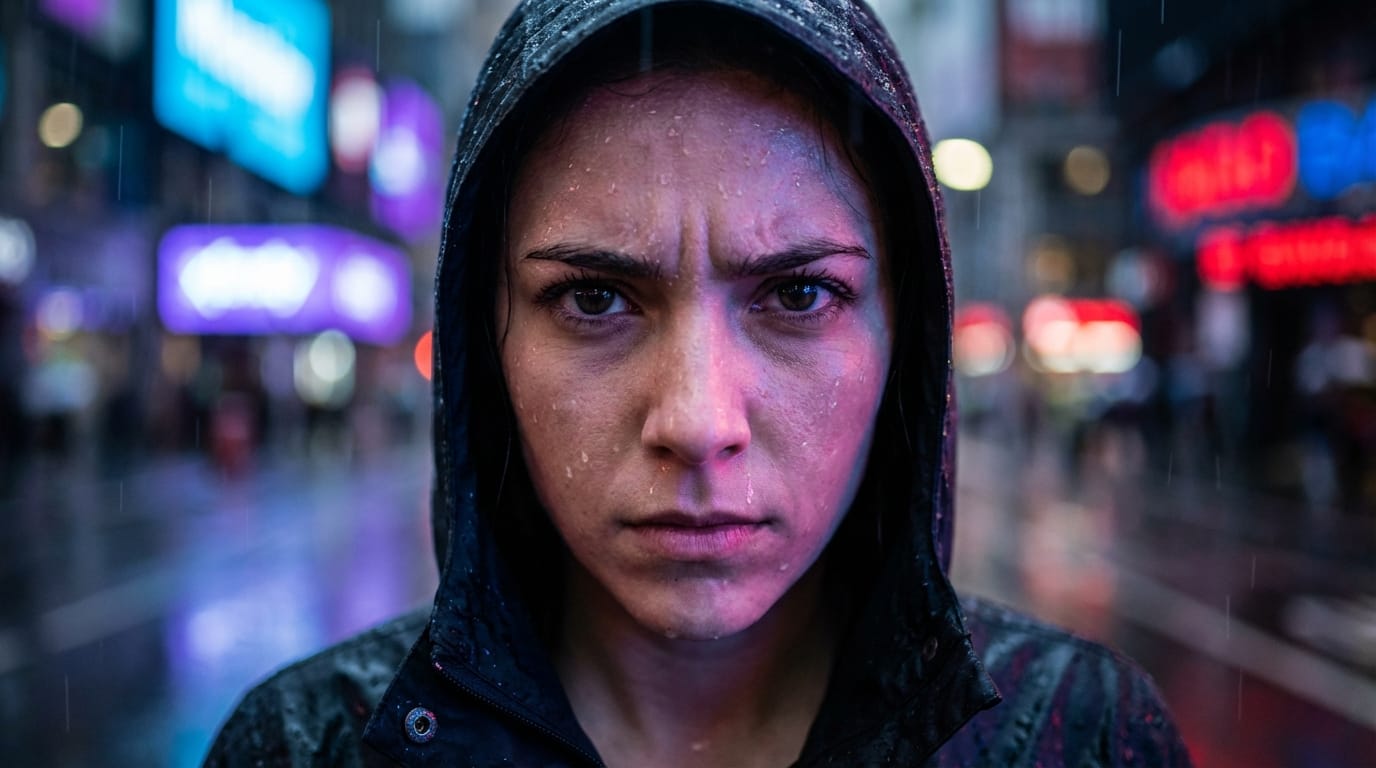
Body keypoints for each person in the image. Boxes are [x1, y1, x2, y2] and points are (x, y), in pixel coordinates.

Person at [205, 0, 1193, 764]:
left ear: (905, 340)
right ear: (486, 340)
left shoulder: (1084, 736)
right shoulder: (301, 747)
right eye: (593, 299)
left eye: (799, 294)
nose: (696, 419)